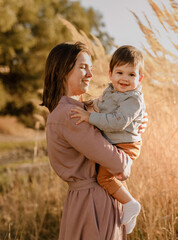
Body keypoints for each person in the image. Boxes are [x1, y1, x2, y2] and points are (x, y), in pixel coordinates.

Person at [41, 42, 147, 240]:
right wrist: (130, 148)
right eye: (83, 67)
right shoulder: (70, 115)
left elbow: (120, 117)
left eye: (90, 68)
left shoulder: (73, 109)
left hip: (86, 200)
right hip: (93, 204)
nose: (90, 74)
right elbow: (119, 165)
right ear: (63, 70)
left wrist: (138, 123)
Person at [70, 45, 145, 234]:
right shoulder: (112, 91)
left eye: (131, 75)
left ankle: (130, 203)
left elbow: (118, 122)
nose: (124, 79)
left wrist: (90, 118)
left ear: (139, 78)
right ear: (110, 74)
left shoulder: (133, 99)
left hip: (126, 144)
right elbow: (102, 104)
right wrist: (88, 104)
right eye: (120, 72)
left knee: (104, 177)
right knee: (104, 172)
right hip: (116, 141)